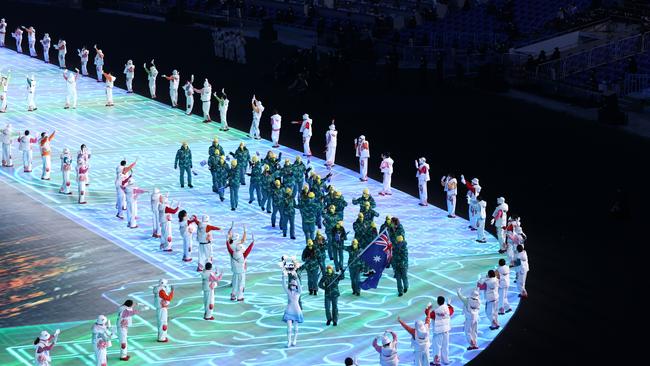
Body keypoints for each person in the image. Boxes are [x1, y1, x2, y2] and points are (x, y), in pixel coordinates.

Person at [226, 225, 254, 301]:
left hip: (234, 266)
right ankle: (240, 296)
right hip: (241, 267)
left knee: (235, 280)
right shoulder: (238, 245)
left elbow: (228, 241)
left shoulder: (230, 244)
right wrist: (245, 231)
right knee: (241, 283)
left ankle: (233, 295)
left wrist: (229, 232)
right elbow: (247, 248)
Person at [426, 296, 454, 366]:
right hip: (446, 331)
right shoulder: (447, 309)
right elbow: (452, 310)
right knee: (445, 346)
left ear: (438, 302)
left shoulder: (436, 311)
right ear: (444, 301)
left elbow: (428, 314)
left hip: (438, 332)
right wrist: (449, 304)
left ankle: (437, 362)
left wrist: (428, 307)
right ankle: (446, 360)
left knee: (437, 347)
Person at [281, 268, 303, 347]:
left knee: (296, 327)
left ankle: (295, 340)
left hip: (296, 310)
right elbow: (283, 284)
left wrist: (296, 277)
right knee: (289, 327)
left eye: (294, 285)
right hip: (289, 310)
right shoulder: (288, 292)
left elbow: (300, 286)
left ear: (296, 286)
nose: (292, 286)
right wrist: (283, 275)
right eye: (291, 284)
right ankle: (289, 341)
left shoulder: (298, 292)